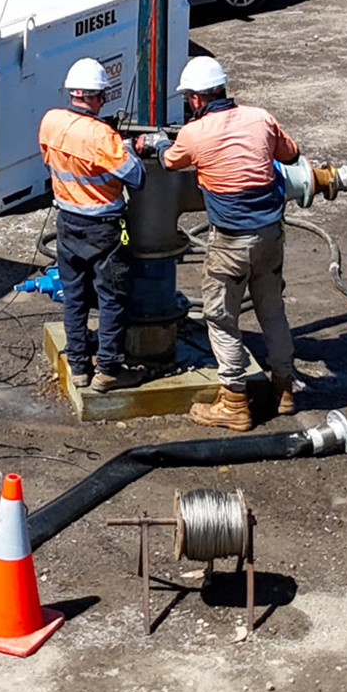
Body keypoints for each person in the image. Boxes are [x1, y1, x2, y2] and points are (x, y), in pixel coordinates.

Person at [152, 55, 300, 431]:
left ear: (197, 99)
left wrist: (154, 144)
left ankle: (233, 401)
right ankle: (283, 389)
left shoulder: (194, 133)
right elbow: (291, 154)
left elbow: (169, 163)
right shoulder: (260, 117)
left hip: (231, 241)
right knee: (272, 310)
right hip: (271, 235)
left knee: (220, 317)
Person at [39, 58, 145, 391]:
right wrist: (128, 148)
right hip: (105, 229)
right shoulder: (102, 136)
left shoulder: (51, 121)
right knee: (112, 298)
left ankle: (80, 366)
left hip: (68, 223)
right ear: (99, 96)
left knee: (75, 297)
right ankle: (110, 369)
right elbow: (137, 177)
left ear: (72, 92)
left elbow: (53, 159)